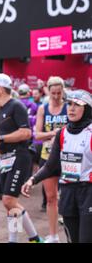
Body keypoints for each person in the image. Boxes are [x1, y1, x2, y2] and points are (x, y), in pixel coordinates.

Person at [22, 90, 92, 243]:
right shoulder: (62, 133)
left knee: (86, 239)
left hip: (88, 192)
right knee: (72, 239)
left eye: (77, 105)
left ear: (87, 109)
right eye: (69, 104)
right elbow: (51, 166)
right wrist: (32, 180)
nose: (71, 108)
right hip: (67, 192)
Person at [0, 73, 43, 243]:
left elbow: (26, 133)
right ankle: (30, 238)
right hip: (6, 159)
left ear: (0, 89)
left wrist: (1, 139)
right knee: (8, 202)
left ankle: (24, 239)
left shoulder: (16, 106)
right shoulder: (0, 110)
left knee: (9, 200)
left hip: (20, 157)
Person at [33, 76, 68, 243]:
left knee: (69, 197)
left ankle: (70, 232)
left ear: (63, 91)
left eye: (58, 93)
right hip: (48, 157)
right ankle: (53, 236)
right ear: (48, 91)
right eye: (53, 93)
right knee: (51, 197)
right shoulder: (43, 108)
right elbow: (37, 134)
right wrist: (55, 133)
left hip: (68, 158)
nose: (55, 96)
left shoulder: (69, 107)